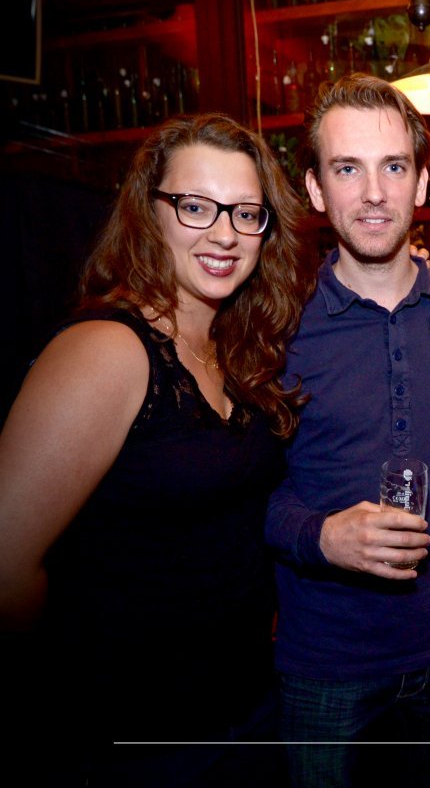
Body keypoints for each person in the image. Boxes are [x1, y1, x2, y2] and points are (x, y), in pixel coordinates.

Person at [0, 113, 311, 786]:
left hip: (246, 713)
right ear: (150, 212)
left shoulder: (235, 348)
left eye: (246, 213)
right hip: (139, 741)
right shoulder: (106, 350)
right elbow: (7, 563)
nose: (224, 234)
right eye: (196, 206)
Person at [265, 72, 430, 788]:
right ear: (316, 189)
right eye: (348, 169)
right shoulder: (276, 327)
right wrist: (322, 536)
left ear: (421, 181)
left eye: (394, 167)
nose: (374, 193)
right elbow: (250, 495)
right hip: (327, 666)